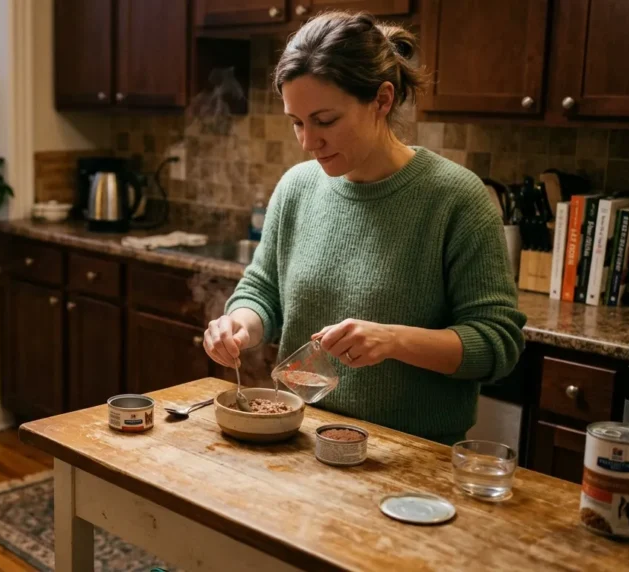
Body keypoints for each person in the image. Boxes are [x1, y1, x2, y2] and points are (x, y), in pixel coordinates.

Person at [202, 11, 526, 446]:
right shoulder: (297, 188)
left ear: (382, 100)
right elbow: (262, 291)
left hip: (412, 457)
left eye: (325, 120)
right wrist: (239, 325)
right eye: (297, 122)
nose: (307, 141)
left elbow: (498, 343)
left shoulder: (456, 198)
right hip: (302, 440)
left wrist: (392, 340)